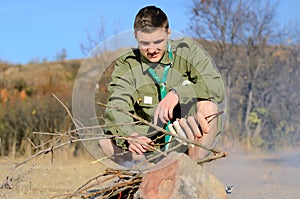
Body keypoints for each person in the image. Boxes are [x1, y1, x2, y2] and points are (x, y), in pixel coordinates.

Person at [100, 5, 225, 162]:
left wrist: (178, 93)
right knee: (105, 143)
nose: (152, 49)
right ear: (135, 36)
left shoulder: (188, 52)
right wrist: (130, 135)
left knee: (208, 107)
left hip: (186, 141)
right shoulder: (128, 65)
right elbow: (117, 104)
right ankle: (143, 179)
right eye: (145, 43)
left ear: (168, 33)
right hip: (149, 147)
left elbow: (215, 86)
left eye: (158, 42)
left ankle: (192, 173)